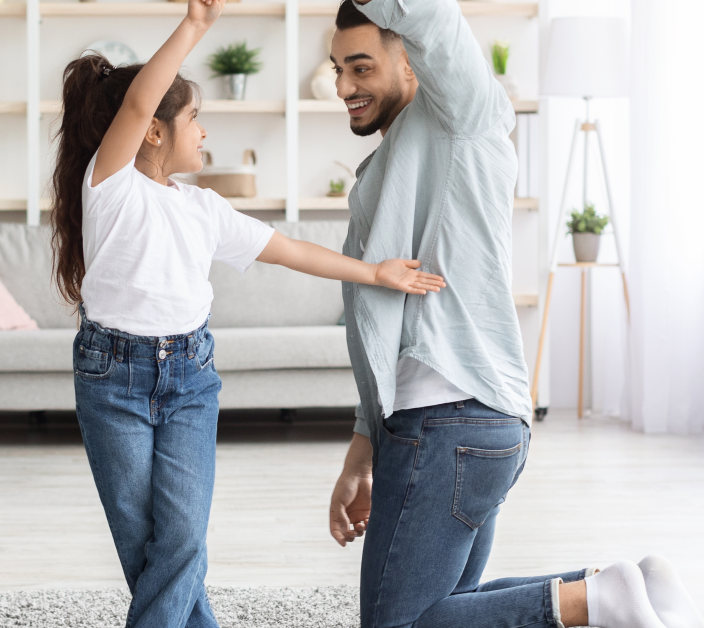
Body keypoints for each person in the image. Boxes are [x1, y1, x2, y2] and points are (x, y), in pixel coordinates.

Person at [48, 0, 447, 626]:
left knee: (179, 541)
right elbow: (134, 103)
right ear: (154, 131)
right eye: (195, 119)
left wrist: (374, 272)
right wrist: (195, 26)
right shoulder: (111, 186)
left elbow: (289, 251)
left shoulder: (204, 209)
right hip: (112, 380)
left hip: (189, 380)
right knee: (145, 547)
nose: (205, 132)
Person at [324, 1, 704, 628]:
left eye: (361, 68)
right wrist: (361, 453)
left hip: (448, 423)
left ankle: (598, 603)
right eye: (338, 69)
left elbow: (429, 16)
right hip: (451, 422)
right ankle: (629, 586)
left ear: (413, 60)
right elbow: (379, 326)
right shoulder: (391, 167)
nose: (344, 87)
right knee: (446, 610)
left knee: (398, 625)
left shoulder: (462, 116)